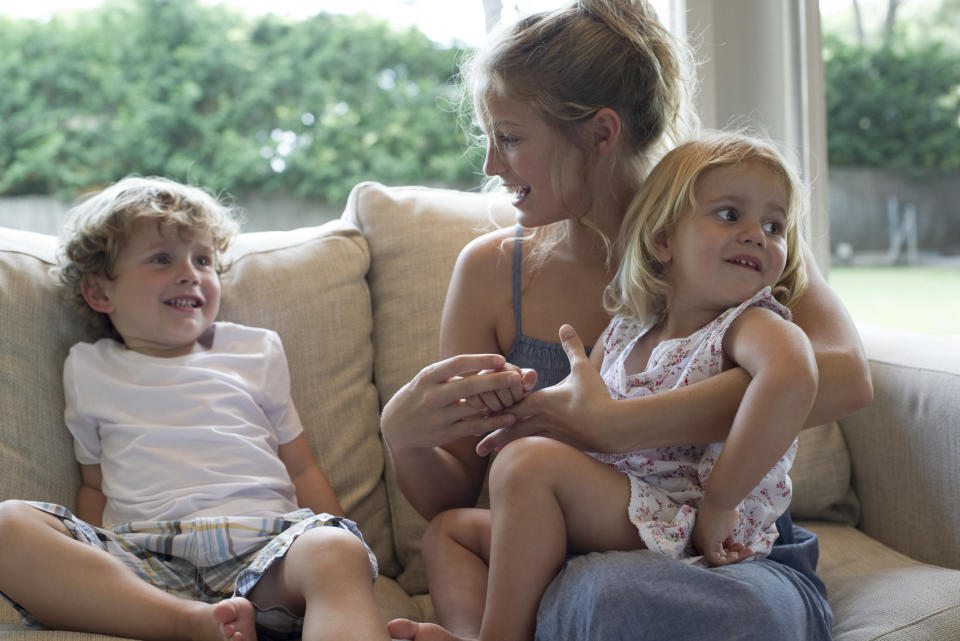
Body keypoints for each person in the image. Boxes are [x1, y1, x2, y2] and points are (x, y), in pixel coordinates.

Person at [383, 1, 872, 640]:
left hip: (734, 559)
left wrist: (615, 425)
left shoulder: (731, 232)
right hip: (570, 559)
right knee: (607, 593)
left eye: (509, 137)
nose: (491, 166)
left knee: (671, 604)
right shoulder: (493, 271)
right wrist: (404, 433)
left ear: (600, 132)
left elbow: (842, 375)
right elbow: (464, 497)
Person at [394, 128, 819, 641]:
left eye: (775, 226)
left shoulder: (751, 324)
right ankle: (465, 631)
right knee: (451, 533)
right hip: (628, 507)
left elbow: (793, 376)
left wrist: (721, 503)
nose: (757, 234)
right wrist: (527, 414)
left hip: (690, 511)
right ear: (664, 239)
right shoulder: (625, 329)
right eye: (730, 215)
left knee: (527, 464)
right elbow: (582, 425)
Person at [0, 177, 391, 641]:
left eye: (203, 259)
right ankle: (187, 623)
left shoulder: (254, 351)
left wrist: (349, 546)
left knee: (333, 549)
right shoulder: (87, 367)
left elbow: (302, 467)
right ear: (101, 293)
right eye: (162, 259)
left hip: (263, 547)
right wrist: (93, 565)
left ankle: (226, 615)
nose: (190, 272)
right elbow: (93, 483)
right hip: (143, 557)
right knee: (7, 524)